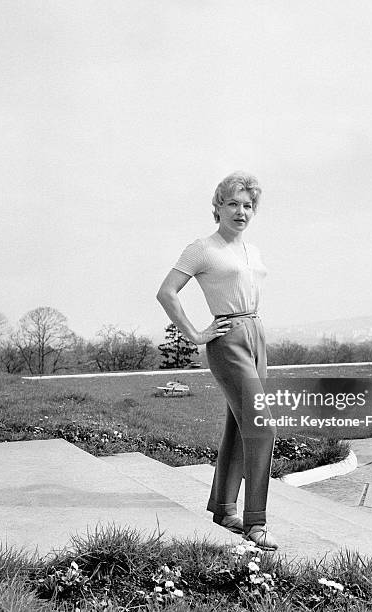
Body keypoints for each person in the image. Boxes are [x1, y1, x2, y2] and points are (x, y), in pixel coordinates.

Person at [156, 171, 278, 550]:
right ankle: (256, 523)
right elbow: (167, 293)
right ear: (218, 207)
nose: (241, 211)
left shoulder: (251, 251)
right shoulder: (203, 248)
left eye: (248, 205)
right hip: (227, 341)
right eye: (233, 204)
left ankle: (225, 508)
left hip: (256, 334)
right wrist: (194, 334)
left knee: (239, 425)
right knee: (262, 427)